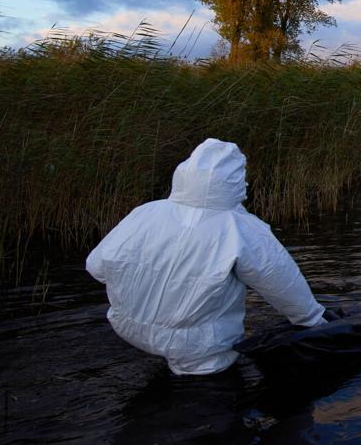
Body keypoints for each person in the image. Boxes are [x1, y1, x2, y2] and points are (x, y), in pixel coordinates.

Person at [86, 138, 332, 376]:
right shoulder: (240, 228)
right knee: (207, 397)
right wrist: (312, 320)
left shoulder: (145, 213)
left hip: (128, 326)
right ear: (236, 181)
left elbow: (96, 266)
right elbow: (280, 280)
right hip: (199, 345)